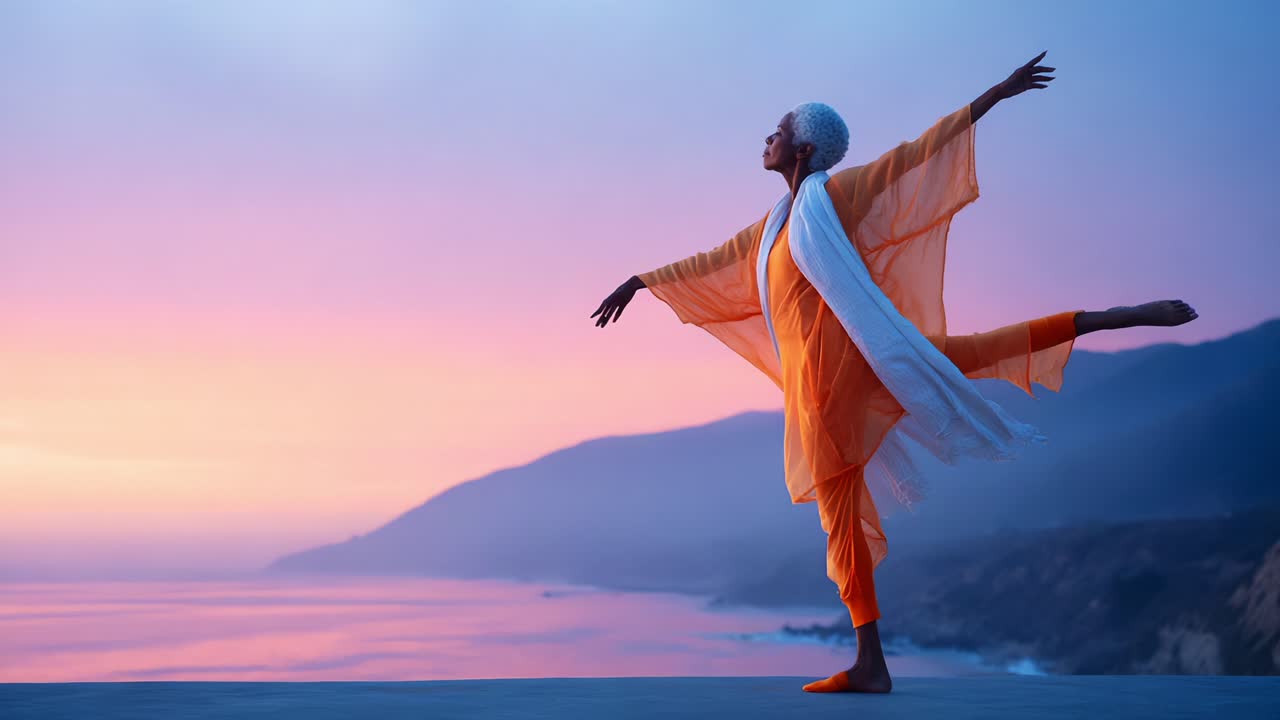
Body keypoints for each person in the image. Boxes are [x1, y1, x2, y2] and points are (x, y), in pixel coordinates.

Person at [589, 52, 1197, 693]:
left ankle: (870, 664)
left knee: (842, 516)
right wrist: (644, 281)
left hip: (835, 382)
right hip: (858, 367)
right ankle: (1109, 317)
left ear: (802, 149)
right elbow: (714, 260)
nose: (764, 140)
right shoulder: (772, 229)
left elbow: (915, 155)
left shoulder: (836, 198)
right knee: (969, 354)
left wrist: (995, 94)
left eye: (776, 132)